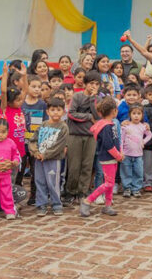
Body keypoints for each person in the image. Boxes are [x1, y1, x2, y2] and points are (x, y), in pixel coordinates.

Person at [79, 97, 121, 217]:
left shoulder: (109, 124)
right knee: (108, 183)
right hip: (108, 158)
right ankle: (87, 201)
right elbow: (108, 145)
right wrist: (118, 155)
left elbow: (115, 141)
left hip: (112, 157)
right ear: (114, 111)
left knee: (110, 183)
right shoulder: (106, 127)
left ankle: (107, 206)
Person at [65, 71, 101, 204]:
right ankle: (71, 191)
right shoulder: (77, 97)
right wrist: (88, 117)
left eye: (97, 84)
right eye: (91, 83)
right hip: (75, 135)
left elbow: (97, 116)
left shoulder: (98, 99)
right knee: (74, 166)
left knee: (87, 165)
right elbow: (71, 114)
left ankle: (82, 191)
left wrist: (93, 99)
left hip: (91, 136)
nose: (94, 86)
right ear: (85, 84)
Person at [29, 97, 69, 217]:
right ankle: (41, 204)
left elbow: (59, 146)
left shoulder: (63, 127)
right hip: (38, 159)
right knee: (40, 181)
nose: (55, 112)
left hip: (53, 160)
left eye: (58, 110)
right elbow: (33, 140)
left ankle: (56, 204)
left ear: (63, 111)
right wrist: (35, 152)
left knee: (53, 183)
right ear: (47, 112)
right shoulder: (43, 125)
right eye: (52, 110)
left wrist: (45, 155)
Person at [21, 74, 48, 204]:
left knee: (35, 170)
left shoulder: (42, 104)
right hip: (21, 143)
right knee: (20, 170)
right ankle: (17, 194)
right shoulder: (21, 103)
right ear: (27, 87)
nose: (37, 89)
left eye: (40, 87)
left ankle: (34, 195)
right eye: (34, 86)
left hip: (35, 143)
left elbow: (45, 123)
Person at [119, 105, 152, 198]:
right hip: (126, 154)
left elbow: (149, 135)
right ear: (130, 115)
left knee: (138, 171)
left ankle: (136, 189)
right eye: (134, 113)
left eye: (139, 114)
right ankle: (127, 188)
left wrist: (143, 141)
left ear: (142, 115)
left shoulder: (143, 126)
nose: (136, 116)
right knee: (126, 171)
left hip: (138, 155)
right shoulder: (126, 126)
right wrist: (121, 151)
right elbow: (121, 140)